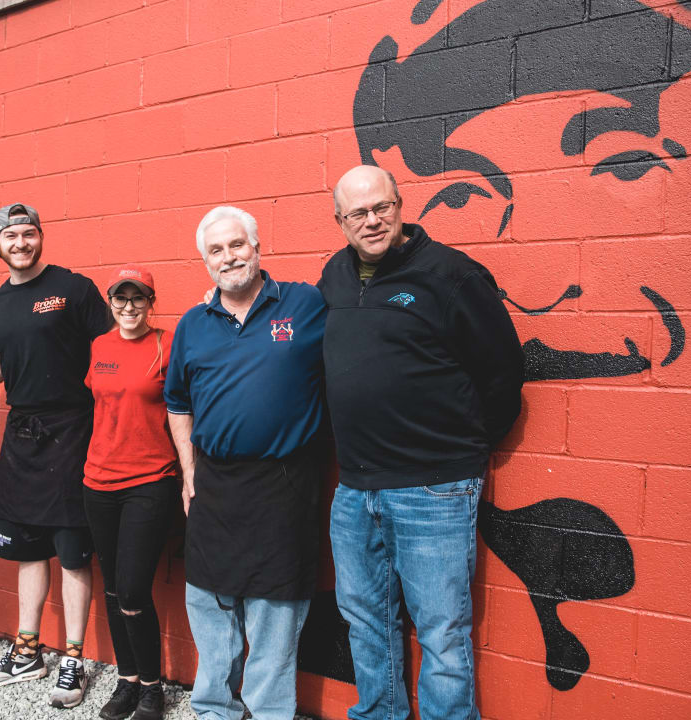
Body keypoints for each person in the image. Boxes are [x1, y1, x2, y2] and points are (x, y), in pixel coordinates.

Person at [319, 165, 524, 720]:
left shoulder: (450, 275)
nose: (372, 220)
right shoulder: (334, 277)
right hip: (356, 489)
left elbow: (503, 373)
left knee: (441, 632)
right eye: (358, 212)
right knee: (364, 621)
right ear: (340, 222)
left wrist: (459, 451)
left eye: (381, 207)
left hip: (433, 490)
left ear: (401, 206)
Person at [164, 206, 327, 720]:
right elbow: (178, 404)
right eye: (216, 250)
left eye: (237, 245)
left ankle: (270, 712)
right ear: (204, 262)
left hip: (285, 484)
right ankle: (215, 710)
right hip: (214, 484)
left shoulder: (305, 304)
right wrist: (189, 471)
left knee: (276, 615)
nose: (228, 256)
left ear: (258, 247)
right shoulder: (193, 323)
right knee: (209, 605)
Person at [0, 203, 114, 709]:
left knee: (74, 551)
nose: (20, 242)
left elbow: (109, 351)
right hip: (22, 433)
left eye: (28, 233)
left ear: (40, 238)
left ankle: (73, 657)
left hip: (75, 429)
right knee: (27, 548)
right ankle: (28, 650)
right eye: (10, 235)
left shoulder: (72, 289)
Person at [83, 264, 178, 720]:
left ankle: (153, 689)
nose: (128, 306)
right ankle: (127, 680)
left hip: (150, 481)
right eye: (120, 298)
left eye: (138, 298)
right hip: (98, 482)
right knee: (114, 591)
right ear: (110, 302)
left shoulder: (166, 343)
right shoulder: (99, 346)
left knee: (135, 591)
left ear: (150, 302)